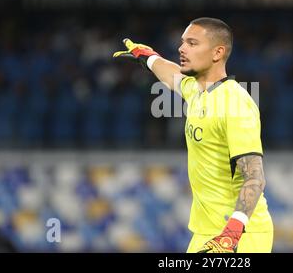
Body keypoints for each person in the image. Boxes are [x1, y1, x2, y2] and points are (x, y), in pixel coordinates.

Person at [113, 17, 273, 253]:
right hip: (206, 234)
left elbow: (255, 177)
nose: (181, 48)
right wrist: (148, 57)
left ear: (217, 52)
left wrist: (232, 233)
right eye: (182, 42)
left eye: (192, 43)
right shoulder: (197, 91)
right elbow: (171, 75)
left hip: (239, 237)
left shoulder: (235, 103)